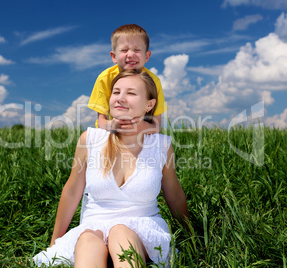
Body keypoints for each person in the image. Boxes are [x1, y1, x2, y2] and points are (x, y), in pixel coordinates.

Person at [33, 70, 188, 267]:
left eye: (131, 93)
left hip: (142, 228)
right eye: (115, 92)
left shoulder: (160, 145)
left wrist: (193, 237)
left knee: (120, 233)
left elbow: (174, 195)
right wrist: (54, 243)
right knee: (88, 242)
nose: (120, 98)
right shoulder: (90, 140)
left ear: (149, 104)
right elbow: (72, 192)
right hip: (93, 227)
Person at [88, 24, 168, 135]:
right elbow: (101, 122)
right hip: (112, 133)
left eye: (137, 50)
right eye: (124, 50)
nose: (130, 54)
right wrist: (113, 125)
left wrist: (142, 126)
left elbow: (157, 126)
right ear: (114, 56)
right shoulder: (105, 78)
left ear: (147, 56)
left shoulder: (153, 81)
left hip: (142, 135)